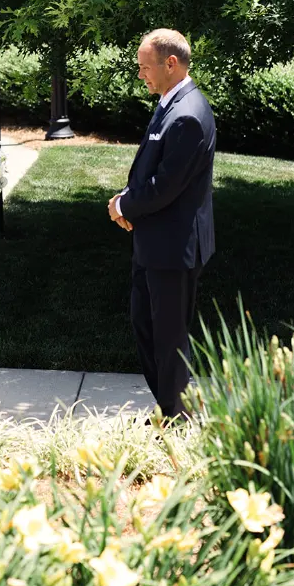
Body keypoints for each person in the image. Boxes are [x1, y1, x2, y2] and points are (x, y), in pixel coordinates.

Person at [107, 29, 215, 421]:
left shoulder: (188, 115)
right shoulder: (173, 102)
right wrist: (127, 196)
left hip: (173, 248)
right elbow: (155, 169)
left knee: (168, 340)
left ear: (171, 64)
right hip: (156, 244)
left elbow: (165, 187)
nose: (141, 75)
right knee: (147, 328)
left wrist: (124, 204)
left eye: (145, 67)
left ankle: (178, 420)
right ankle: (171, 410)